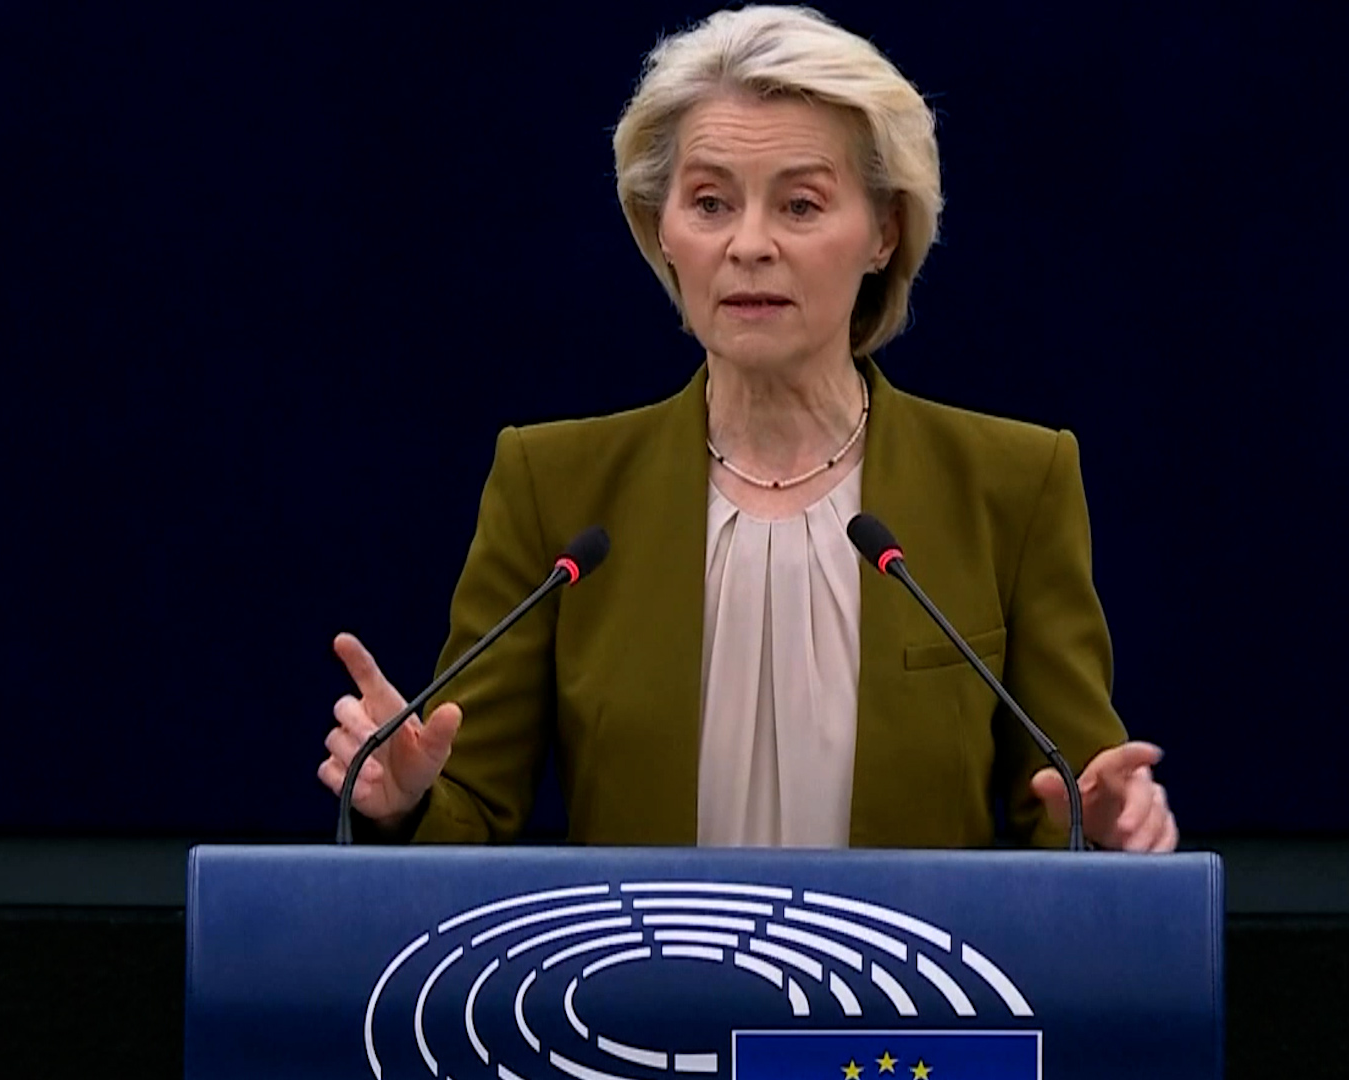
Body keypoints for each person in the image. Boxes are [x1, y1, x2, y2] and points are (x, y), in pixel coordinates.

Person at [317, 5, 1177, 852]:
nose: (749, 244)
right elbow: (469, 812)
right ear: (661, 230)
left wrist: (1109, 830)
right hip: (642, 955)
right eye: (710, 203)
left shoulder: (1011, 486)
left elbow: (1070, 803)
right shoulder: (556, 489)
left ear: (884, 231)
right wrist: (405, 801)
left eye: (799, 205)